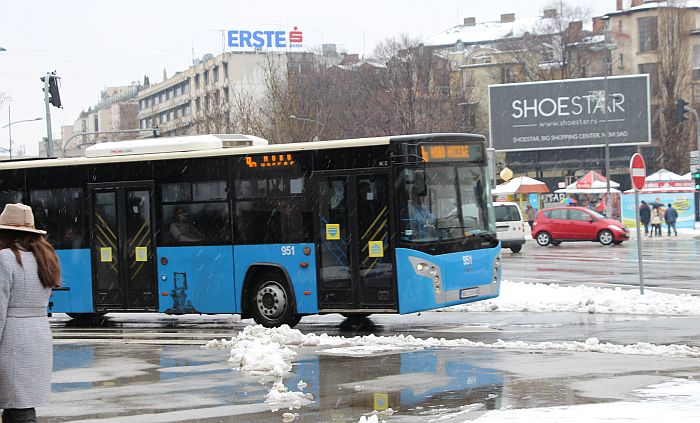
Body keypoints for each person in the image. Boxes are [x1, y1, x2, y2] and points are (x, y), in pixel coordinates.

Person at [0, 203, 62, 423]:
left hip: (13, 339)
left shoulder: (5, 258)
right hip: (38, 336)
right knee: (19, 404)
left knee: (18, 407)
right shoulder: (45, 257)